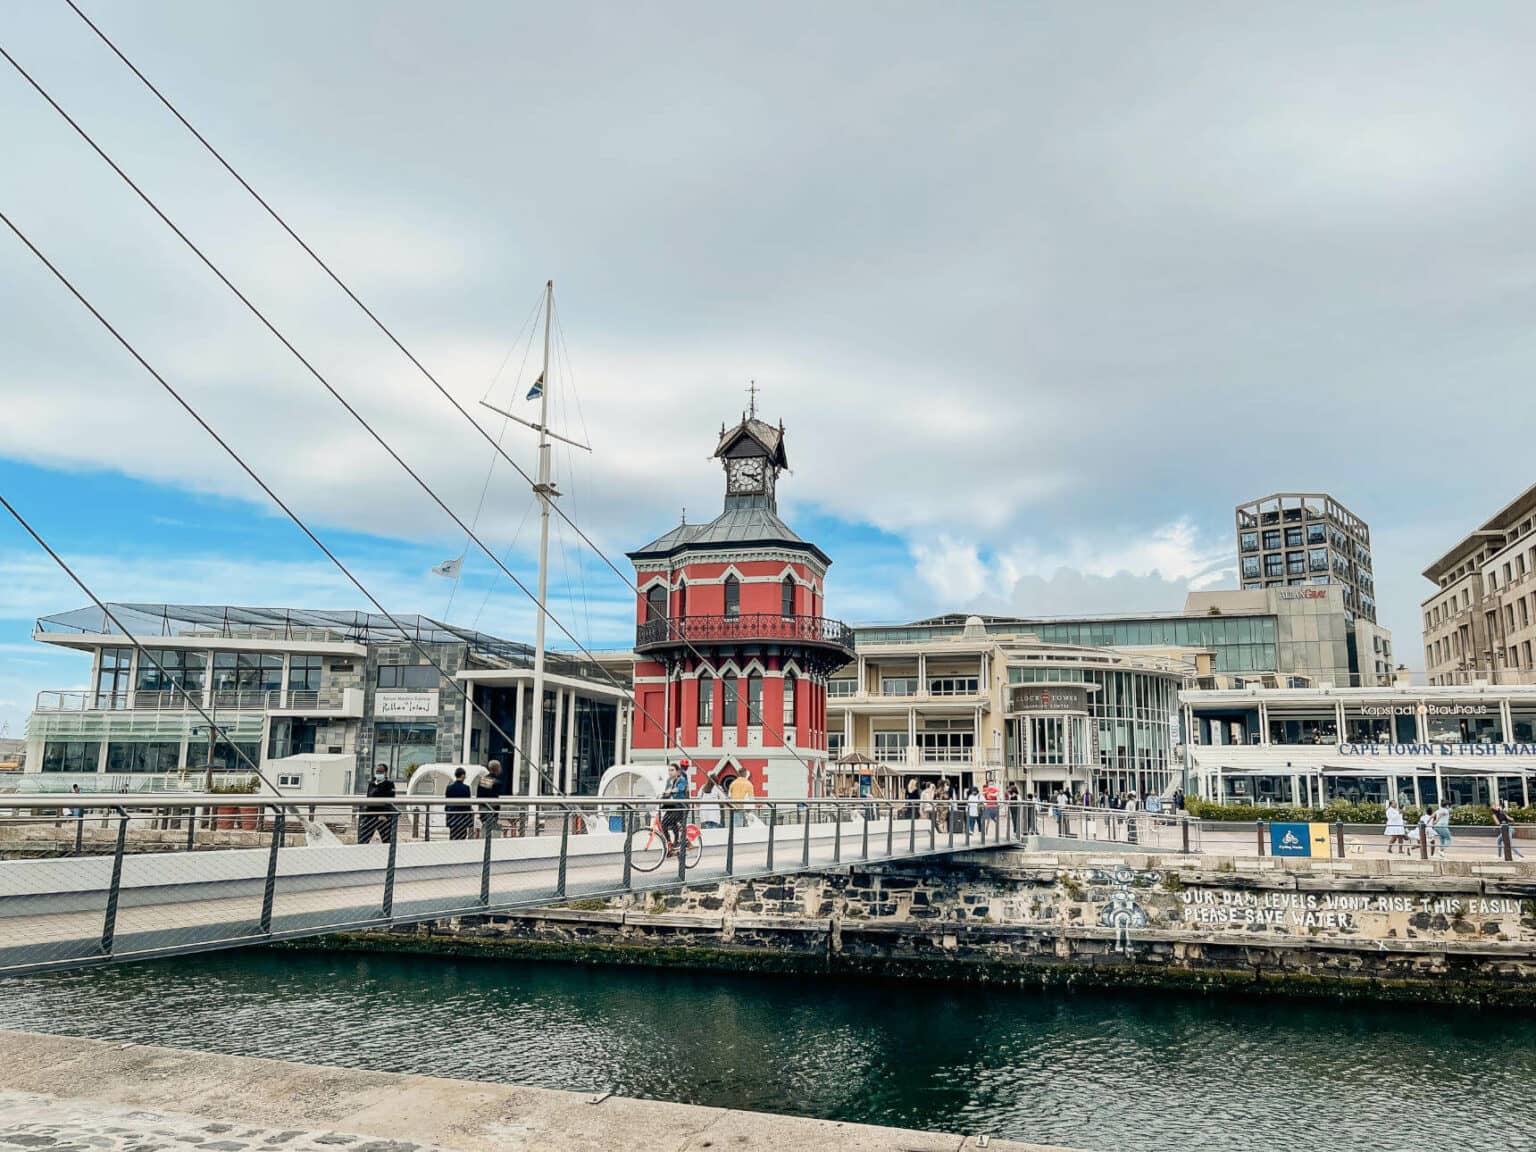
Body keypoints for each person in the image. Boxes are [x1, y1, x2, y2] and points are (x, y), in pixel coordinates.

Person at [358, 763, 396, 844]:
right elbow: (368, 797)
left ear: (385, 773)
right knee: (363, 838)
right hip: (369, 814)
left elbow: (390, 799)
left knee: (386, 840)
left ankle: (388, 855)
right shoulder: (371, 783)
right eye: (377, 771)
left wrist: (384, 814)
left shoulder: (389, 784)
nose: (378, 773)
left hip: (382, 816)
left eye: (381, 772)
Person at [661, 762, 690, 853]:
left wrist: (671, 791)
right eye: (669, 770)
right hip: (673, 806)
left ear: (678, 772)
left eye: (672, 770)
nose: (670, 772)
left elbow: (679, 789)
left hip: (681, 807)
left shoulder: (682, 780)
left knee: (671, 821)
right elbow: (666, 791)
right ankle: (670, 843)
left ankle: (677, 841)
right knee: (663, 824)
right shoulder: (669, 781)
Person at [445, 766, 473, 841]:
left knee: (452, 836)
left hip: (452, 815)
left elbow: (447, 802)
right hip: (462, 816)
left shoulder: (449, 787)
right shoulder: (466, 788)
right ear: (463, 775)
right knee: (462, 836)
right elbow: (468, 803)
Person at [476, 759, 503, 836]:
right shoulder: (497, 782)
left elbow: (480, 795)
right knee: (492, 829)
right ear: (497, 768)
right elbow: (496, 795)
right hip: (492, 809)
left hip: (483, 808)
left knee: (485, 827)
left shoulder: (483, 780)